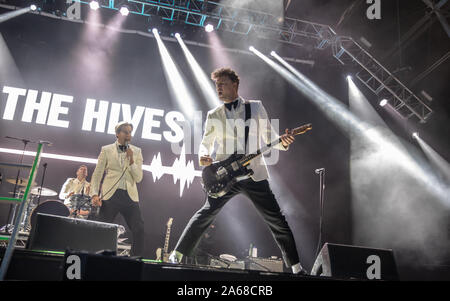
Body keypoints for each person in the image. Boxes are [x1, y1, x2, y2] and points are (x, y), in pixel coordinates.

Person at [169, 67, 307, 275]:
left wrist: (284, 143)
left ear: (235, 84)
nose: (219, 88)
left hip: (254, 174)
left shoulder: (256, 107)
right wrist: (203, 156)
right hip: (226, 175)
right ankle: (177, 255)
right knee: (205, 213)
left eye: (223, 84)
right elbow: (206, 143)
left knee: (277, 220)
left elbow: (271, 138)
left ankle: (296, 268)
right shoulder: (213, 114)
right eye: (217, 85)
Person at [90, 121, 145, 257]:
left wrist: (131, 160)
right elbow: (97, 174)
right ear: (117, 134)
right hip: (110, 195)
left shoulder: (137, 151)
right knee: (102, 228)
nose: (128, 135)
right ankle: (97, 258)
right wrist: (94, 194)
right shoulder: (107, 149)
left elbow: (138, 178)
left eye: (130, 132)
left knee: (139, 229)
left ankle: (135, 260)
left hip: (130, 195)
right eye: (125, 132)